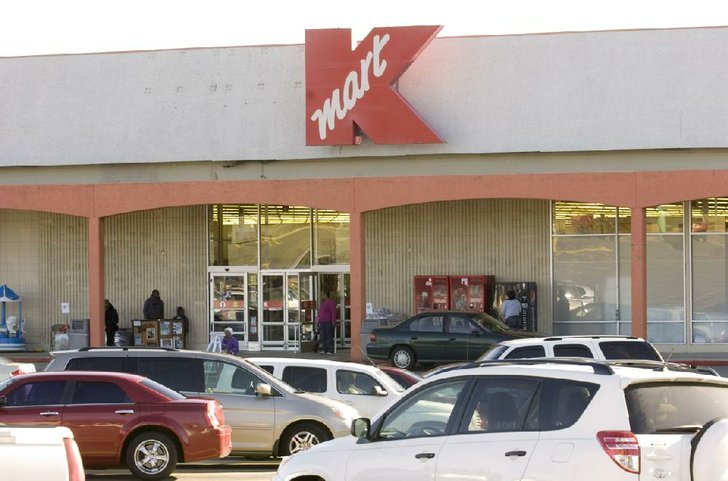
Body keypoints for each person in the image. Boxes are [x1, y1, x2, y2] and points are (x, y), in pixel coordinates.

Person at [317, 291, 337, 355]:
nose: (322, 296)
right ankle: (324, 349)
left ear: (326, 295)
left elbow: (333, 312)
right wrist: (318, 320)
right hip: (322, 322)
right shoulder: (322, 303)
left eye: (323, 295)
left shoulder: (331, 302)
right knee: (323, 336)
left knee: (329, 336)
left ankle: (330, 350)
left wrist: (333, 321)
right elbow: (320, 313)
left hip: (328, 321)